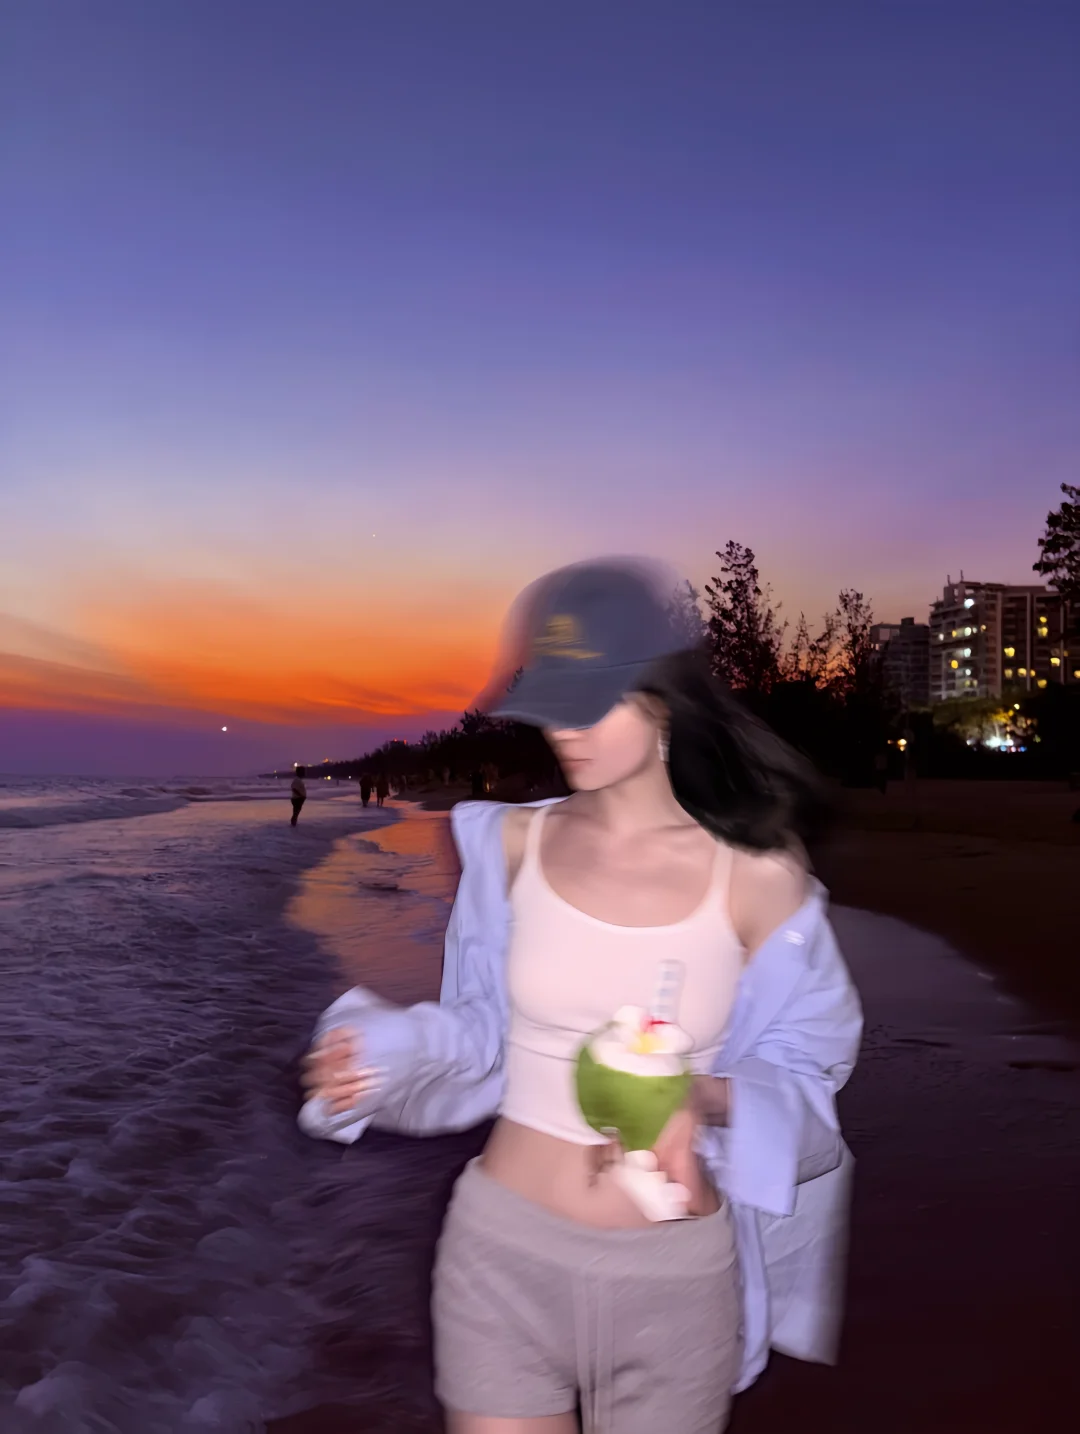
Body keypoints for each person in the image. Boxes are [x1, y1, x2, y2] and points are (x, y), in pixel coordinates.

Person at [299, 559, 862, 1434]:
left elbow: (810, 1068)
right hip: (499, 1253)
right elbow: (482, 1029)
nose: (564, 727)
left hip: (674, 1278)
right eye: (551, 701)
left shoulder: (759, 876)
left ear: (664, 697)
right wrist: (383, 1051)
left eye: (591, 701)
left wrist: (699, 1097)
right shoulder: (510, 845)